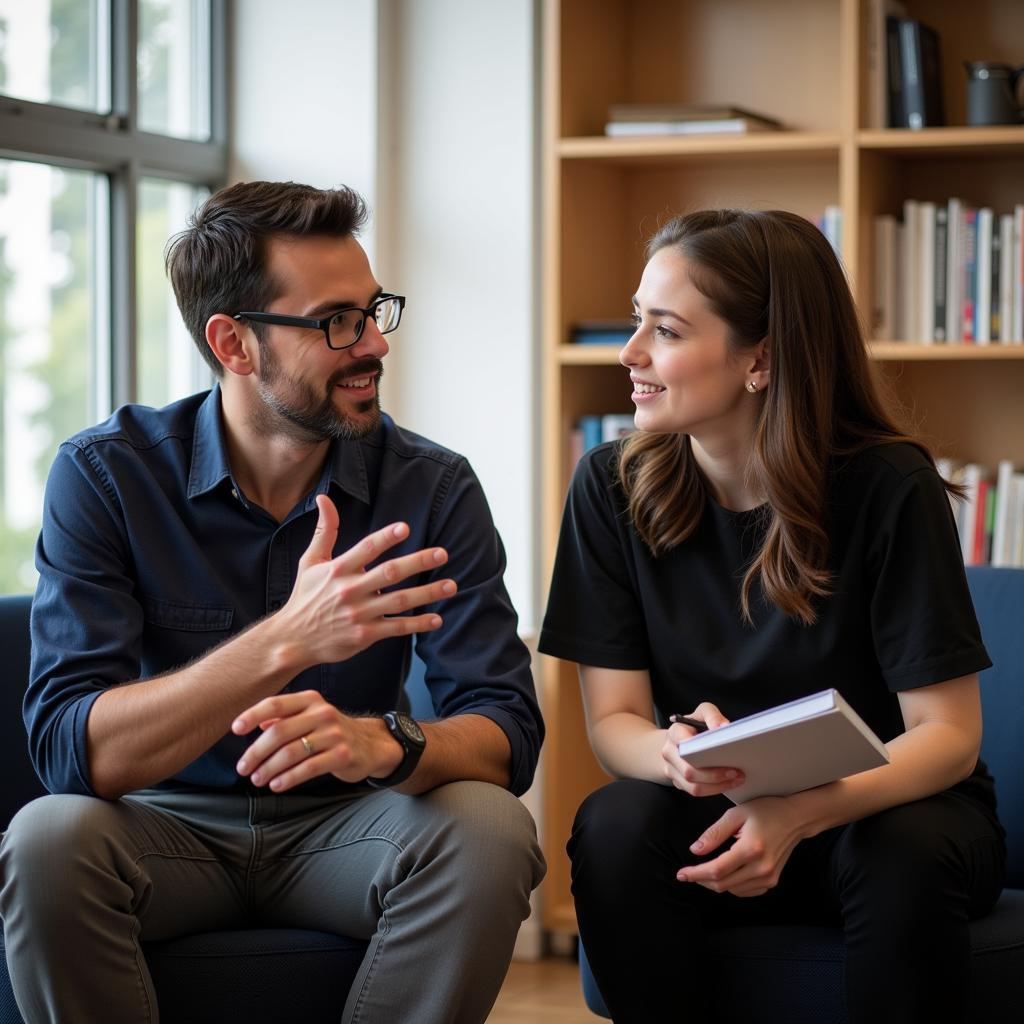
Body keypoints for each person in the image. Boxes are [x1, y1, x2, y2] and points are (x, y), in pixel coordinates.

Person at [0, 180, 545, 1024]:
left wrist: (385, 742)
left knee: (489, 828)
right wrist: (284, 642)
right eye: (336, 322)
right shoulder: (107, 474)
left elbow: (509, 735)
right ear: (234, 344)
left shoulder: (431, 486)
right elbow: (73, 753)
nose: (372, 346)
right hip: (160, 830)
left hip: (351, 827)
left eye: (374, 311)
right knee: (45, 840)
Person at [538, 209, 1006, 1023]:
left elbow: (948, 736)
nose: (631, 352)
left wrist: (797, 812)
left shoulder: (888, 485)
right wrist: (673, 755)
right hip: (719, 811)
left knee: (903, 852)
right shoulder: (608, 487)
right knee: (614, 825)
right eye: (637, 318)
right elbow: (614, 724)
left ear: (760, 358)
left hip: (886, 807)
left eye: (667, 329)